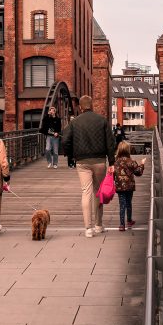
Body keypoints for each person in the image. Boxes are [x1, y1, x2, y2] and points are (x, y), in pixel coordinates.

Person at [61, 94, 116, 237]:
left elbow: (65, 140)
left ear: (80, 107)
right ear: (92, 106)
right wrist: (112, 162)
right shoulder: (102, 121)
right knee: (98, 191)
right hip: (99, 161)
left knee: (86, 192)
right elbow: (110, 143)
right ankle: (98, 225)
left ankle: (88, 228)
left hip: (82, 161)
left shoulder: (74, 122)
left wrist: (71, 155)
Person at [113, 141, 144, 230]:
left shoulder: (116, 162)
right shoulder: (131, 162)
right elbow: (138, 172)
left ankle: (122, 225)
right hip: (129, 186)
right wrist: (142, 164)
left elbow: (113, 174)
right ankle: (129, 221)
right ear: (128, 150)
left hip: (119, 187)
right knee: (128, 203)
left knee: (122, 204)